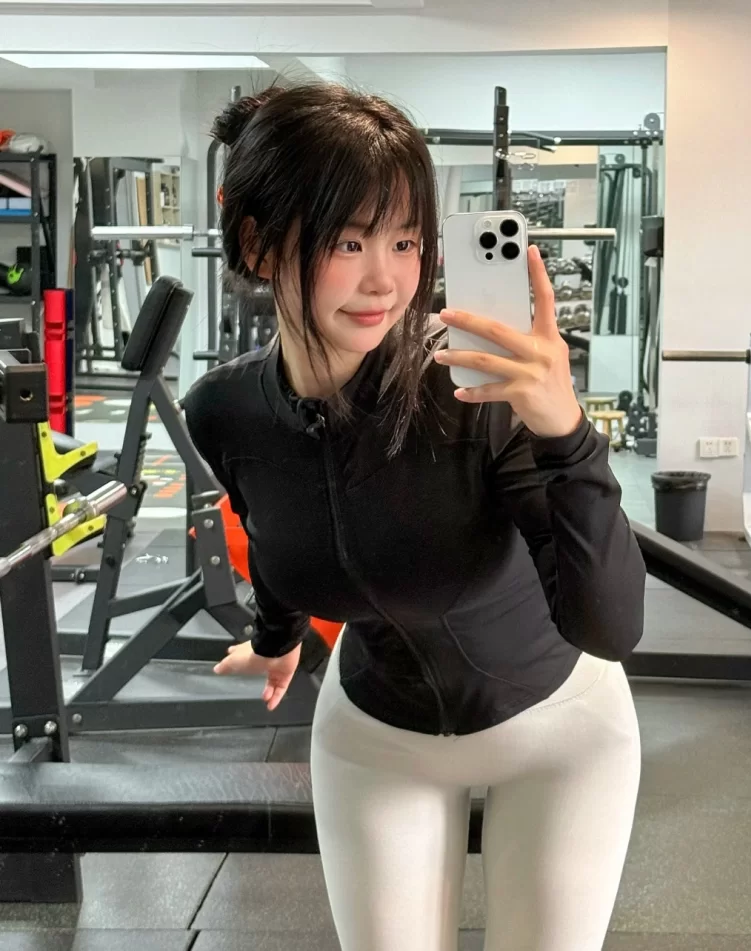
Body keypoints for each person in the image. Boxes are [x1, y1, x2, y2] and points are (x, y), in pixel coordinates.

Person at [184, 82, 646, 951]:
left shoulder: (474, 394)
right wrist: (278, 637)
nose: (385, 279)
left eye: (404, 241)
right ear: (257, 243)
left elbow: (610, 626)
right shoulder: (223, 411)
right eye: (348, 240)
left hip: (558, 727)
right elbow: (274, 532)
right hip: (375, 735)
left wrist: (567, 434)